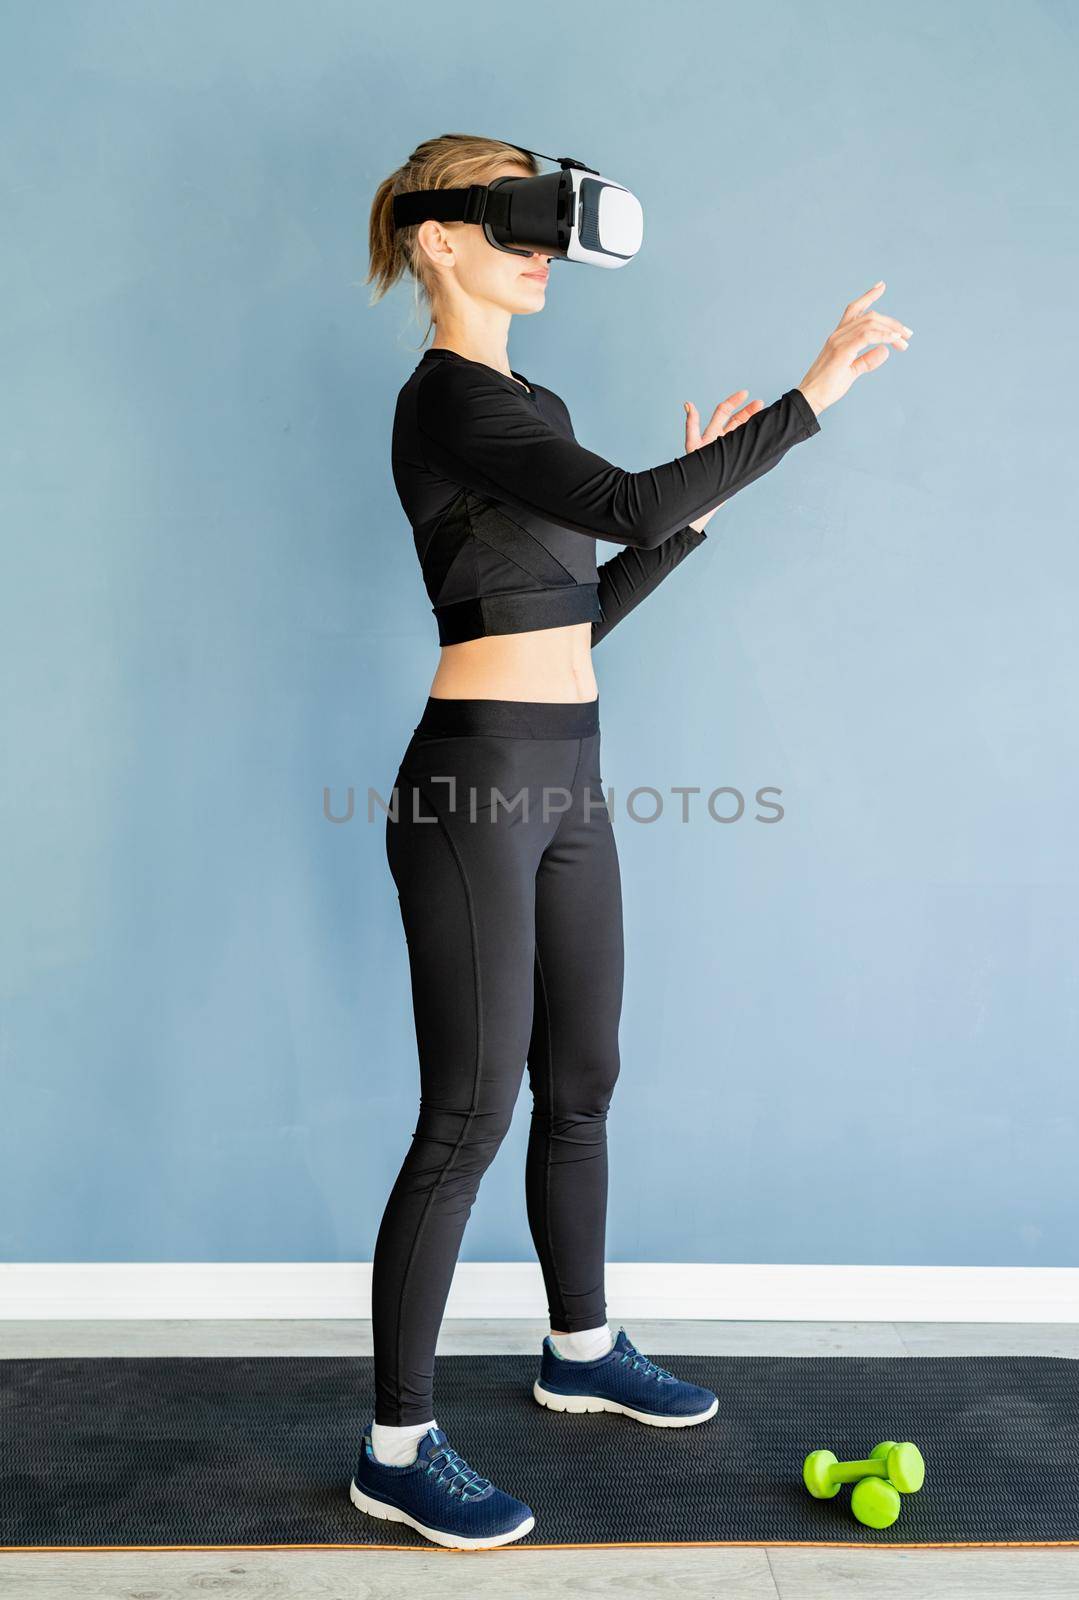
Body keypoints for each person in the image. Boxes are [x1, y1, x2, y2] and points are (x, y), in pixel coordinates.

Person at [349, 133, 911, 1550]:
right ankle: (396, 1445)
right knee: (467, 1115)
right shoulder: (451, 402)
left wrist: (697, 510)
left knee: (583, 1078)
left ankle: (579, 1349)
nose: (539, 247)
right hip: (473, 788)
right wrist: (807, 400)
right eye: (510, 219)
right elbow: (619, 503)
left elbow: (579, 607)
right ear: (435, 239)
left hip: (573, 778)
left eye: (549, 224)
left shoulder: (528, 397)